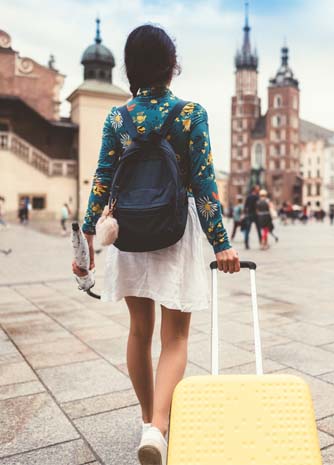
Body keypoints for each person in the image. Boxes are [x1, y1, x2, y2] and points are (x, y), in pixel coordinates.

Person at [71, 25, 239, 465]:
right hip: (172, 230)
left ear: (130, 66)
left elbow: (102, 181)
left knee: (139, 331)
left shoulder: (117, 118)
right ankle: (158, 427)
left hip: (127, 231)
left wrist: (87, 237)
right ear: (171, 64)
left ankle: (150, 420)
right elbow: (203, 184)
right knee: (176, 337)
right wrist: (220, 243)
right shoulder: (189, 114)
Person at [243, 185, 261, 249]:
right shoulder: (257, 197)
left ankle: (246, 244)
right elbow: (258, 206)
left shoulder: (248, 196)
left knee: (247, 230)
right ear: (254, 190)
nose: (259, 190)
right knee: (258, 229)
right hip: (255, 215)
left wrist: (245, 213)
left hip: (249, 214)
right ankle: (261, 243)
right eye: (257, 189)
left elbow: (245, 206)